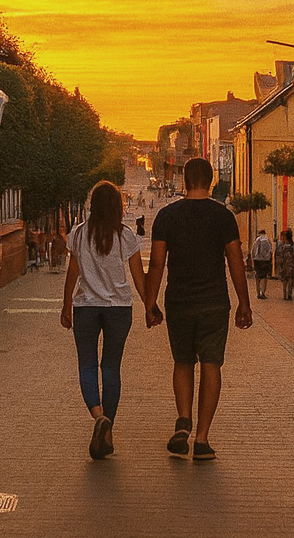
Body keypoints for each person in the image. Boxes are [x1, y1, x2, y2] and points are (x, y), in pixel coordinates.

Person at [144, 156, 252, 462]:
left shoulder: (166, 216)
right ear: (211, 181)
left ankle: (183, 420)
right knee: (211, 364)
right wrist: (244, 304)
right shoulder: (223, 217)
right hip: (214, 302)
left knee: (182, 362)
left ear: (184, 181)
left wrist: (150, 304)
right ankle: (202, 439)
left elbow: (157, 263)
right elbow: (235, 262)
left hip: (178, 301)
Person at [60, 181, 148, 460]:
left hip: (86, 307)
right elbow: (138, 276)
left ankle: (98, 417)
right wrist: (150, 306)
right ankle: (107, 423)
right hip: (118, 309)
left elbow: (72, 273)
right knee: (111, 367)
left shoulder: (78, 234)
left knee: (86, 364)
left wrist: (66, 306)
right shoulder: (126, 236)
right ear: (118, 207)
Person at [275, 228, 294, 301]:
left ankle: (285, 294)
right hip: (292, 266)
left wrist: (279, 266)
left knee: (285, 281)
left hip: (284, 266)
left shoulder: (282, 248)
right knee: (290, 280)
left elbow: (279, 258)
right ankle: (289, 294)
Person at [250, 228, 274, 300]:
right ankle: (263, 292)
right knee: (264, 276)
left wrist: (253, 259)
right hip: (265, 260)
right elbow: (270, 251)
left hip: (257, 260)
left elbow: (253, 251)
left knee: (258, 276)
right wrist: (270, 260)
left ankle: (258, 293)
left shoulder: (257, 240)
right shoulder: (268, 240)